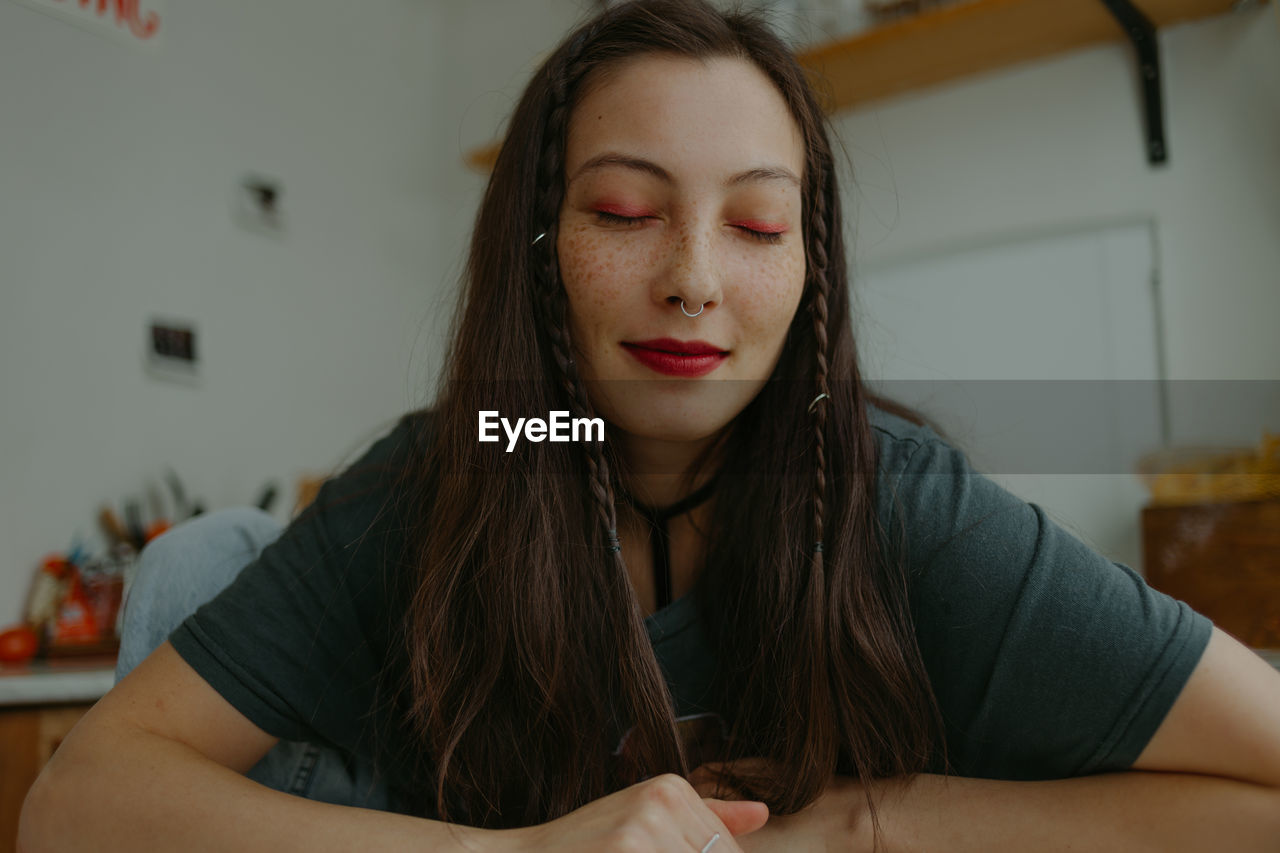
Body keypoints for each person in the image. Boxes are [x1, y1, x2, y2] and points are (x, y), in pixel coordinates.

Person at [20, 1, 1280, 850]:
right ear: (540, 248)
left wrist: (876, 820)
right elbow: (76, 802)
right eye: (624, 211)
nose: (691, 276)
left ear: (812, 268)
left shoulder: (890, 496)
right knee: (197, 561)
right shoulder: (502, 454)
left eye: (756, 224)